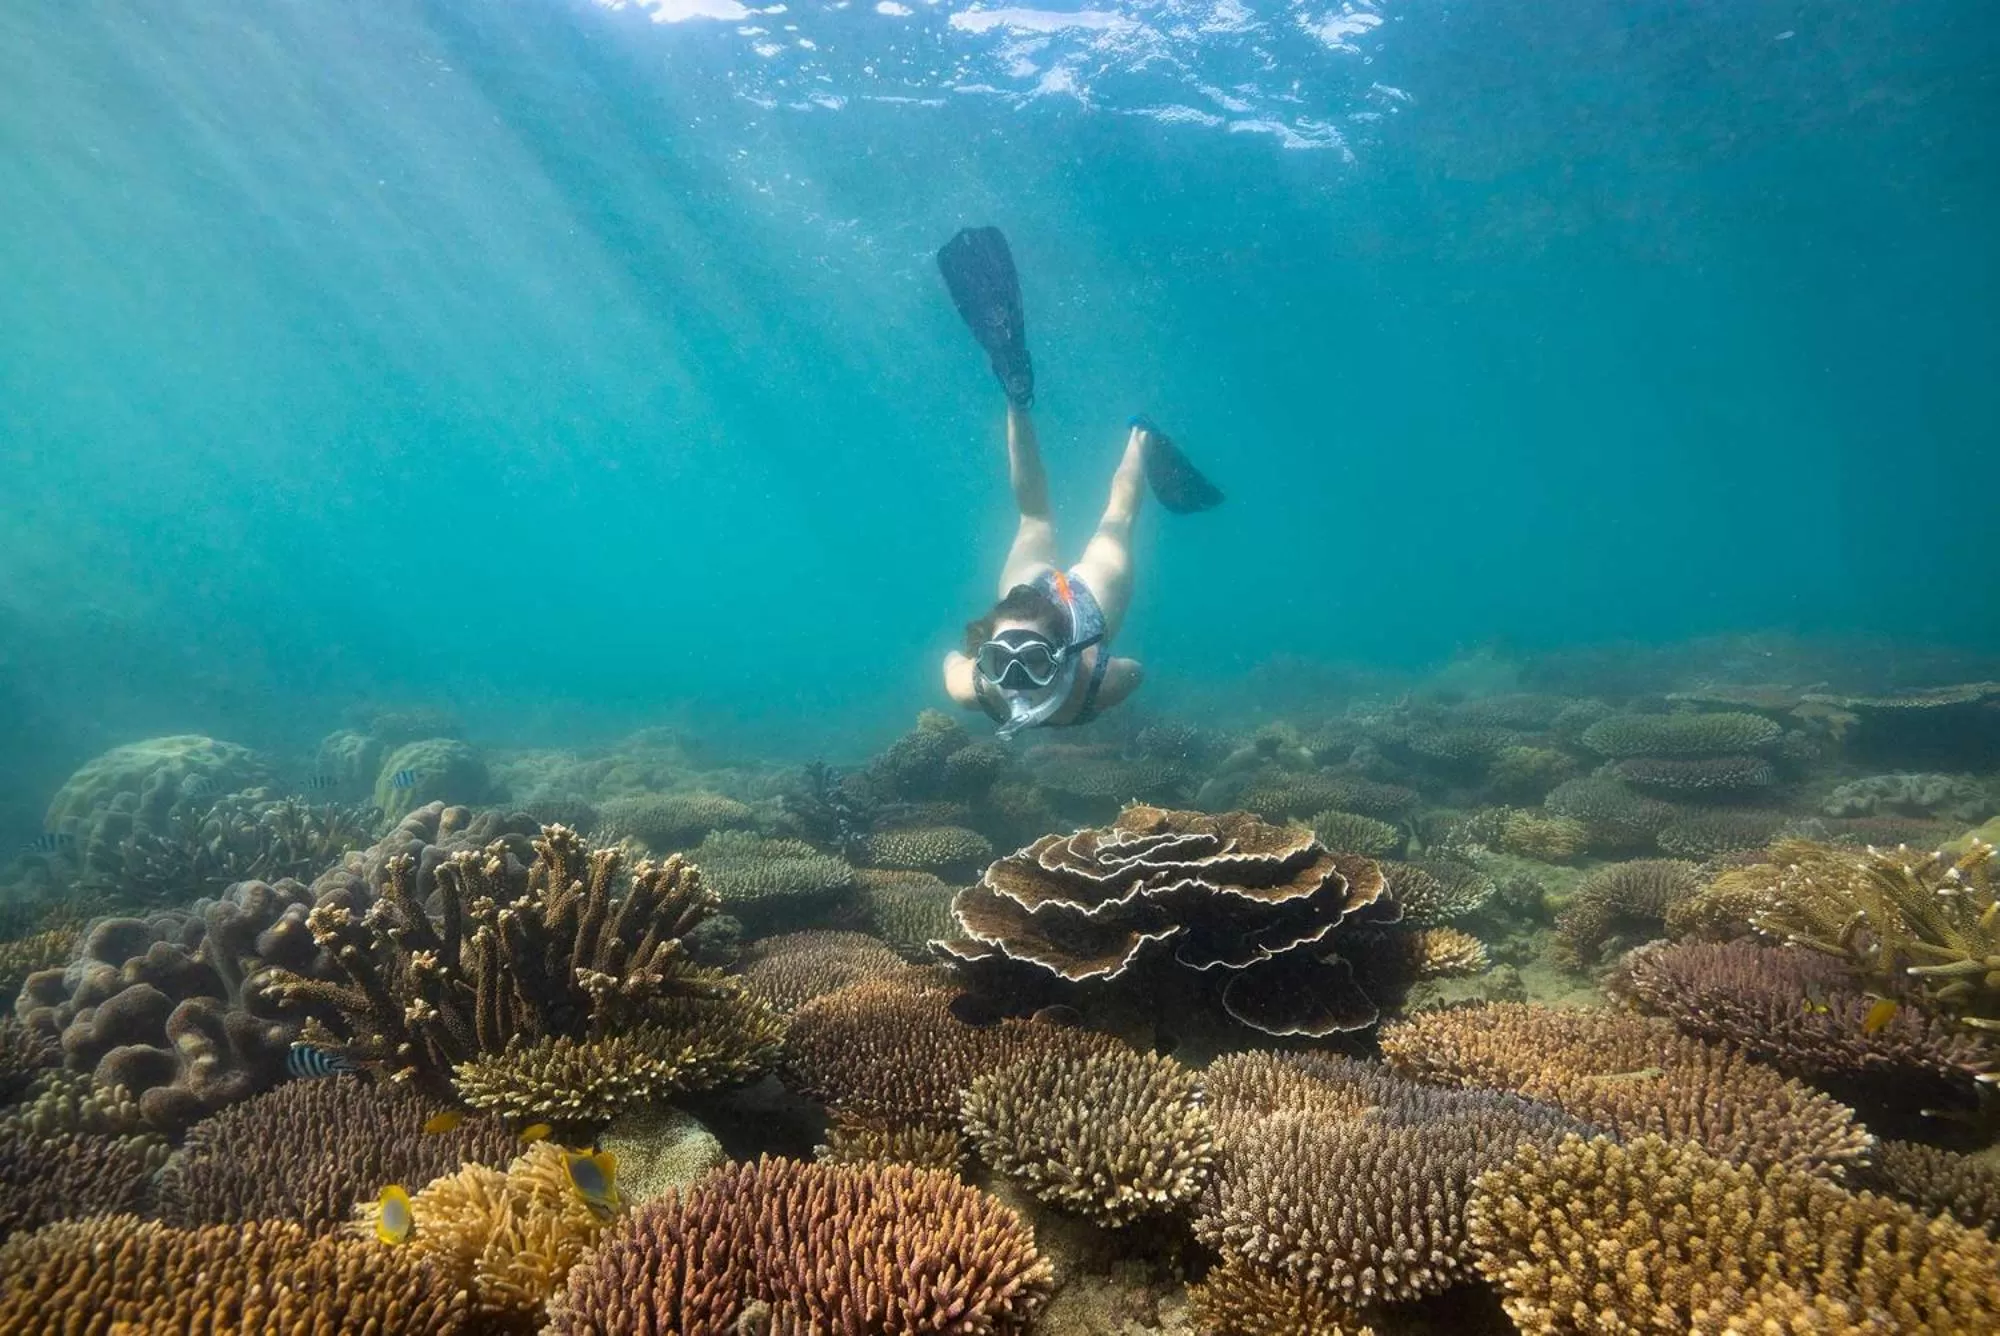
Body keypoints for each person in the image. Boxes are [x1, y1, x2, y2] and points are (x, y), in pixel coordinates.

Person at [936, 227, 1222, 738]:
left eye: (1028, 662)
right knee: (1064, 517)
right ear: (987, 655)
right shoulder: (996, 686)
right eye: (1001, 661)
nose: (1016, 679)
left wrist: (1089, 689)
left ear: (1065, 655)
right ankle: (1024, 399)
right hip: (1041, 601)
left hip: (1080, 600)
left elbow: (1131, 672)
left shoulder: (1048, 686)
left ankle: (1130, 435)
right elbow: (1135, 671)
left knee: (1093, 517)